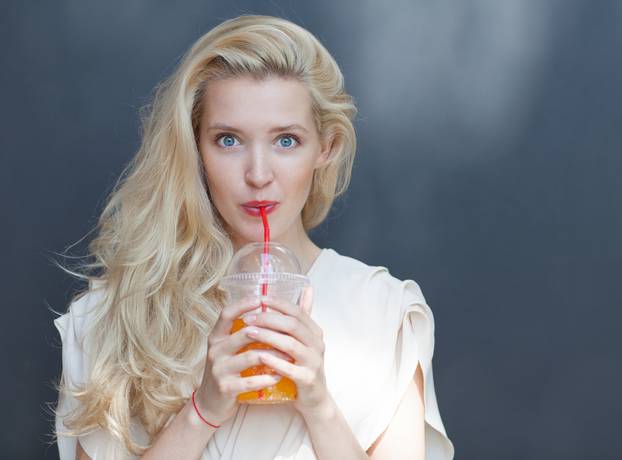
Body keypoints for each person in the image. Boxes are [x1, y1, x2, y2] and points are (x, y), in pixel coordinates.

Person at [53, 14, 455, 460]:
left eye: (286, 141)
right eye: (228, 140)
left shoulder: (387, 315)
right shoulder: (112, 318)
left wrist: (319, 405)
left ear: (327, 146)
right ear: (195, 148)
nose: (258, 175)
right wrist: (202, 411)